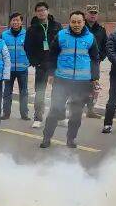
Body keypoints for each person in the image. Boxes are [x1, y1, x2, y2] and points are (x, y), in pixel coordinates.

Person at [40, 11, 100, 149]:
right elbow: (52, 55)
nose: (76, 25)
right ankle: (46, 138)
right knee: (55, 110)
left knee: (76, 113)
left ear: (84, 22)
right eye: (73, 22)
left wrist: (95, 77)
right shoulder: (61, 35)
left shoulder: (90, 38)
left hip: (82, 82)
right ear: (69, 22)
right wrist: (51, 73)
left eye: (79, 22)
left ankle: (71, 139)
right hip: (62, 80)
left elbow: (95, 59)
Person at [25, 2, 61, 128]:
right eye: (39, 10)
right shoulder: (32, 29)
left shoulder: (56, 26)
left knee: (58, 92)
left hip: (56, 65)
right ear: (36, 13)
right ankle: (38, 117)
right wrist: (35, 62)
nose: (41, 12)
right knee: (40, 92)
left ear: (48, 11)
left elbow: (62, 43)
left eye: (43, 10)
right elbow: (27, 47)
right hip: (41, 65)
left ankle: (59, 116)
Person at [1, 12, 30, 121]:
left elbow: (31, 49)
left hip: (23, 68)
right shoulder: (4, 35)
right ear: (10, 22)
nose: (15, 22)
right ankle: (6, 113)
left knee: (24, 92)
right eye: (13, 20)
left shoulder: (27, 34)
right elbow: (0, 51)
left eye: (18, 20)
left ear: (21, 22)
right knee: (7, 92)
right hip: (9, 69)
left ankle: (24, 114)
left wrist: (29, 61)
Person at [84, 6, 108, 118]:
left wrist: (100, 57)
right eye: (91, 13)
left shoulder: (101, 29)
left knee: (94, 87)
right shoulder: (80, 27)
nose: (93, 15)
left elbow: (105, 45)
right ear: (86, 14)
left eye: (95, 13)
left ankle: (90, 110)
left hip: (94, 63)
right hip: (80, 62)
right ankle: (74, 109)